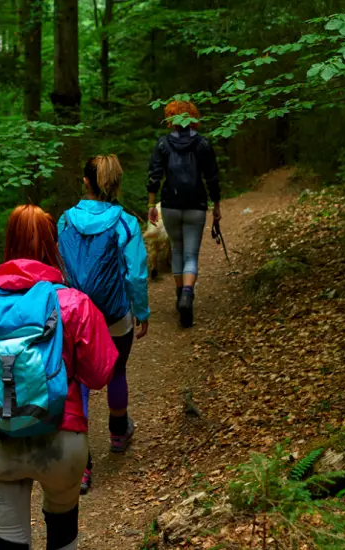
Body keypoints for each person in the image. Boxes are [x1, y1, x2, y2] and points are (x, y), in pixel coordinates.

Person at [0, 205, 118, 550]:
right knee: (62, 534)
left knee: (10, 543)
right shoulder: (74, 304)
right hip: (62, 438)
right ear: (53, 244)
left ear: (8, 243)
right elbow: (100, 374)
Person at [57, 155, 150, 494]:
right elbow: (137, 273)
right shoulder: (125, 222)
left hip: (74, 316)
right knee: (118, 370)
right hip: (114, 315)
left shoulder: (65, 221)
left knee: (78, 384)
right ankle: (118, 433)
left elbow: (60, 265)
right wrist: (142, 311)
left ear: (86, 182)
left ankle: (82, 468)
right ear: (115, 183)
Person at [147, 100, 221, 328]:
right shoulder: (203, 144)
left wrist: (151, 205)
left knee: (177, 250)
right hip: (196, 205)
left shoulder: (162, 145)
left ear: (170, 118)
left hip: (170, 204)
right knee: (191, 254)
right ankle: (188, 293)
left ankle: (180, 295)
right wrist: (217, 205)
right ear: (193, 118)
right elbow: (212, 177)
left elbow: (154, 176)